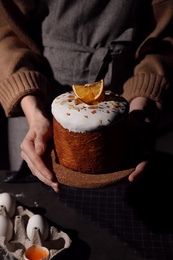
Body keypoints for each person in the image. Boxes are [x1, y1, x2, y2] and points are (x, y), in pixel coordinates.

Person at [0, 0, 172, 192]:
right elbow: (6, 26)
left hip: (127, 97)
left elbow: (164, 36)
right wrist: (34, 114)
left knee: (115, 209)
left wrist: (138, 111)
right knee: (36, 197)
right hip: (35, 98)